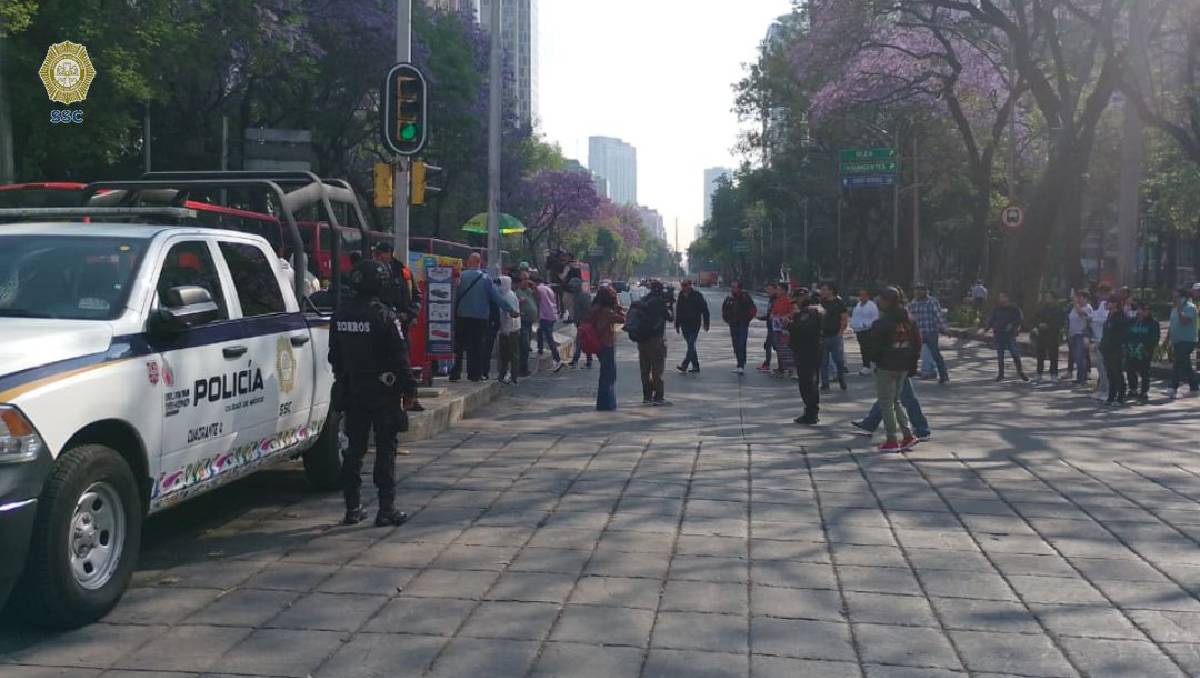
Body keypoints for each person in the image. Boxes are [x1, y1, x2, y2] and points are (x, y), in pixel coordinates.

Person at [328, 259, 414, 527]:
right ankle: (386, 509)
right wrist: (409, 388)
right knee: (386, 449)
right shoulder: (385, 316)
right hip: (383, 393)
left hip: (353, 390)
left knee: (354, 449)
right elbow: (400, 357)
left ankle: (352, 508)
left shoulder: (340, 315)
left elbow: (334, 356)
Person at [864, 287, 921, 452]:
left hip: (886, 365)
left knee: (886, 402)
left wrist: (873, 359)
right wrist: (913, 363)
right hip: (904, 365)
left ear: (886, 301)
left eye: (881, 299)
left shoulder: (882, 323)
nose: (878, 302)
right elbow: (917, 343)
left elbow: (874, 347)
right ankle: (908, 434)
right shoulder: (909, 321)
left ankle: (892, 439)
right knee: (896, 400)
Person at [450, 253, 514, 382]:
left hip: (462, 316)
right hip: (480, 319)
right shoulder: (486, 279)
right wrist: (510, 310)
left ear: (469, 262)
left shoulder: (462, 276)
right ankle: (474, 374)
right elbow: (496, 298)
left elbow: (454, 295)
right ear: (479, 263)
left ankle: (455, 372)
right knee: (477, 346)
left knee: (459, 346)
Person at [787, 287, 824, 425]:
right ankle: (810, 412)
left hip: (807, 351)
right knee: (809, 382)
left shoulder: (810, 312)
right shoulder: (814, 310)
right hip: (811, 350)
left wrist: (789, 324)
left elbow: (803, 329)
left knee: (807, 383)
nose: (795, 304)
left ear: (802, 298)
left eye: (796, 301)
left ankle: (811, 413)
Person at [636, 280, 673, 405]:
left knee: (645, 370)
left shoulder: (643, 300)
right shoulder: (660, 302)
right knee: (657, 370)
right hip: (656, 340)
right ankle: (658, 397)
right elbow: (670, 317)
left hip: (642, 341)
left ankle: (646, 396)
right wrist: (669, 305)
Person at [589, 286, 625, 411]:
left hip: (599, 344)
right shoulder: (607, 312)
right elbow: (622, 319)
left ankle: (603, 403)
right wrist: (617, 305)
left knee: (604, 375)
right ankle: (608, 404)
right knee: (609, 376)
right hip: (607, 344)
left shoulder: (594, 309)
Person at [909, 283, 949, 384]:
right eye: (916, 290)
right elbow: (910, 318)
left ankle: (943, 375)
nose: (918, 292)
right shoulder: (913, 303)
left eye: (921, 290)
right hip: (918, 333)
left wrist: (945, 328)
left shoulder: (932, 301)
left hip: (931, 332)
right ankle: (912, 372)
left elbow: (938, 316)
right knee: (913, 353)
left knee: (935, 354)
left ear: (926, 291)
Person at [986, 292, 1028, 382]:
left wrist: (1012, 324)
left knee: (1015, 353)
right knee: (1000, 355)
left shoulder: (1014, 309)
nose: (1000, 299)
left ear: (1007, 298)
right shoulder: (997, 309)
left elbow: (1019, 319)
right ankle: (1001, 374)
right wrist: (985, 329)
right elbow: (991, 320)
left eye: (1002, 297)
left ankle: (1020, 372)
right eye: (1000, 297)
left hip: (1010, 334)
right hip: (998, 333)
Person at [1167, 287, 1199, 399]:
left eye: (1176, 295)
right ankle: (1194, 388)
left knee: (1178, 362)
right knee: (1186, 364)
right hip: (1176, 340)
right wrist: (1168, 338)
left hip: (1187, 340)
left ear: (1182, 296)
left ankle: (1173, 387)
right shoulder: (1175, 308)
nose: (1173, 297)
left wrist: (1180, 310)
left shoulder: (1190, 307)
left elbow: (1184, 321)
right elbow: (1172, 324)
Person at [1125, 302, 1159, 404]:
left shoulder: (1153, 323)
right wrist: (1128, 344)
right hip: (1131, 350)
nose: (1142, 312)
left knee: (1144, 371)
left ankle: (1144, 391)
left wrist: (1145, 346)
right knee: (1130, 370)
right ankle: (1133, 389)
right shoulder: (1132, 321)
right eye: (1141, 309)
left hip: (1144, 351)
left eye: (1145, 310)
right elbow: (1127, 334)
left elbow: (1154, 338)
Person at [818, 283, 850, 392]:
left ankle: (841, 378)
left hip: (835, 336)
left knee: (839, 360)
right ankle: (825, 384)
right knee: (823, 362)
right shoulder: (821, 302)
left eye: (824, 290)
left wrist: (840, 332)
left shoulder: (839, 303)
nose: (822, 292)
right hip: (823, 336)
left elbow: (844, 318)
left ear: (831, 291)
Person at [1099, 293, 1129, 405]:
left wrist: (1117, 345)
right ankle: (1111, 396)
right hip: (1107, 349)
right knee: (1110, 374)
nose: (1107, 304)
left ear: (1116, 304)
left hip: (1116, 350)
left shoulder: (1121, 317)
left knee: (1117, 373)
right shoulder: (1109, 316)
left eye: (1110, 302)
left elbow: (1122, 335)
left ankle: (1120, 397)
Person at [722, 280, 758, 374]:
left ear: (739, 288)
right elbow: (724, 309)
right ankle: (739, 363)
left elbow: (753, 309)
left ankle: (741, 365)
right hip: (733, 324)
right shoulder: (729, 298)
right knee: (736, 345)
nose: (732, 289)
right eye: (732, 287)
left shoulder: (745, 297)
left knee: (741, 344)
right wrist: (727, 319)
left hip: (742, 324)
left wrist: (747, 320)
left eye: (734, 287)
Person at [674, 279, 710, 373]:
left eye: (685, 285)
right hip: (684, 324)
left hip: (694, 324)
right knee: (691, 346)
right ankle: (696, 366)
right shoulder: (681, 295)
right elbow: (678, 310)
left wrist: (706, 323)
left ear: (690, 285)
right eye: (682, 285)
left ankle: (685, 364)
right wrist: (677, 325)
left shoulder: (697, 295)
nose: (683, 287)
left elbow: (705, 310)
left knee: (691, 344)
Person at [1032, 292, 1065, 384]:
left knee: (1053, 356)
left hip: (1053, 335)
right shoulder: (1043, 309)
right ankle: (1039, 374)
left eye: (1049, 297)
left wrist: (1049, 326)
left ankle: (1054, 374)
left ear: (1054, 299)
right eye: (1046, 297)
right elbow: (1036, 318)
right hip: (1042, 335)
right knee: (1040, 355)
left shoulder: (1059, 310)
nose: (1047, 299)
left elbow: (1060, 323)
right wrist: (1039, 325)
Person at [535, 276, 566, 372]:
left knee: (549, 338)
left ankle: (557, 359)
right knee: (540, 332)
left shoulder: (538, 289)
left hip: (545, 316)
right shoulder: (548, 289)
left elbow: (538, 299)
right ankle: (540, 349)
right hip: (552, 314)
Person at [495, 276, 522, 384]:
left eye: (499, 284)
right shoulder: (506, 295)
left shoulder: (508, 296)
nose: (498, 286)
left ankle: (513, 376)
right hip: (507, 329)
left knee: (511, 354)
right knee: (504, 354)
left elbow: (510, 314)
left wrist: (506, 330)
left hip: (510, 329)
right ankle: (504, 375)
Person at [1089, 284, 1112, 399]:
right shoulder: (1099, 305)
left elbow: (1105, 320)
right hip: (1096, 339)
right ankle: (1102, 389)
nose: (1099, 295)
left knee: (1104, 367)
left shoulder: (1109, 305)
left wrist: (1093, 319)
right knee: (1100, 367)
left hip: (1104, 340)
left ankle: (1107, 391)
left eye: (1102, 293)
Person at [849, 288, 879, 376]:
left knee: (870, 348)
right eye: (860, 295)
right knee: (863, 349)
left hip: (869, 331)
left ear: (867, 296)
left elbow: (875, 318)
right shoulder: (858, 305)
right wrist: (853, 325)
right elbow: (855, 316)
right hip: (859, 331)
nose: (861, 297)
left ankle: (875, 365)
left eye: (863, 295)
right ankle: (866, 366)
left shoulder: (872, 306)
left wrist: (866, 325)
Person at [568, 278, 596, 368]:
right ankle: (588, 360)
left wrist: (582, 320)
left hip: (584, 322)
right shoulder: (578, 296)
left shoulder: (582, 296)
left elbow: (588, 309)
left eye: (573, 287)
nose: (572, 289)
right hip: (581, 322)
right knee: (584, 341)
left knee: (580, 342)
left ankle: (576, 360)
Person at [1067, 292, 1093, 385]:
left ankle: (1082, 378)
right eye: (1078, 298)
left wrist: (1075, 303)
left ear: (1086, 299)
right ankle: (1080, 377)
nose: (1079, 300)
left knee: (1080, 357)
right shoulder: (1074, 308)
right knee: (1077, 357)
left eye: (1081, 298)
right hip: (1073, 335)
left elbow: (1082, 314)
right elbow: (1071, 320)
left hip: (1082, 334)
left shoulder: (1088, 308)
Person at [516, 271, 539, 377]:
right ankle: (521, 368)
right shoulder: (517, 292)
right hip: (523, 321)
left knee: (527, 345)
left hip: (530, 322)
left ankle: (524, 368)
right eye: (524, 279)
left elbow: (538, 298)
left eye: (527, 279)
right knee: (524, 345)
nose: (527, 281)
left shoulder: (529, 291)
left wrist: (535, 288)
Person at [757, 281, 782, 372]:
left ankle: (776, 365)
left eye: (770, 289)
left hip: (775, 327)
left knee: (774, 345)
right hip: (771, 326)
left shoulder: (776, 300)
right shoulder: (771, 299)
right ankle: (775, 364)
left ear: (775, 290)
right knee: (771, 345)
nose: (768, 291)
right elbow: (769, 313)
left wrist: (764, 317)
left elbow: (774, 313)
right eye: (767, 289)